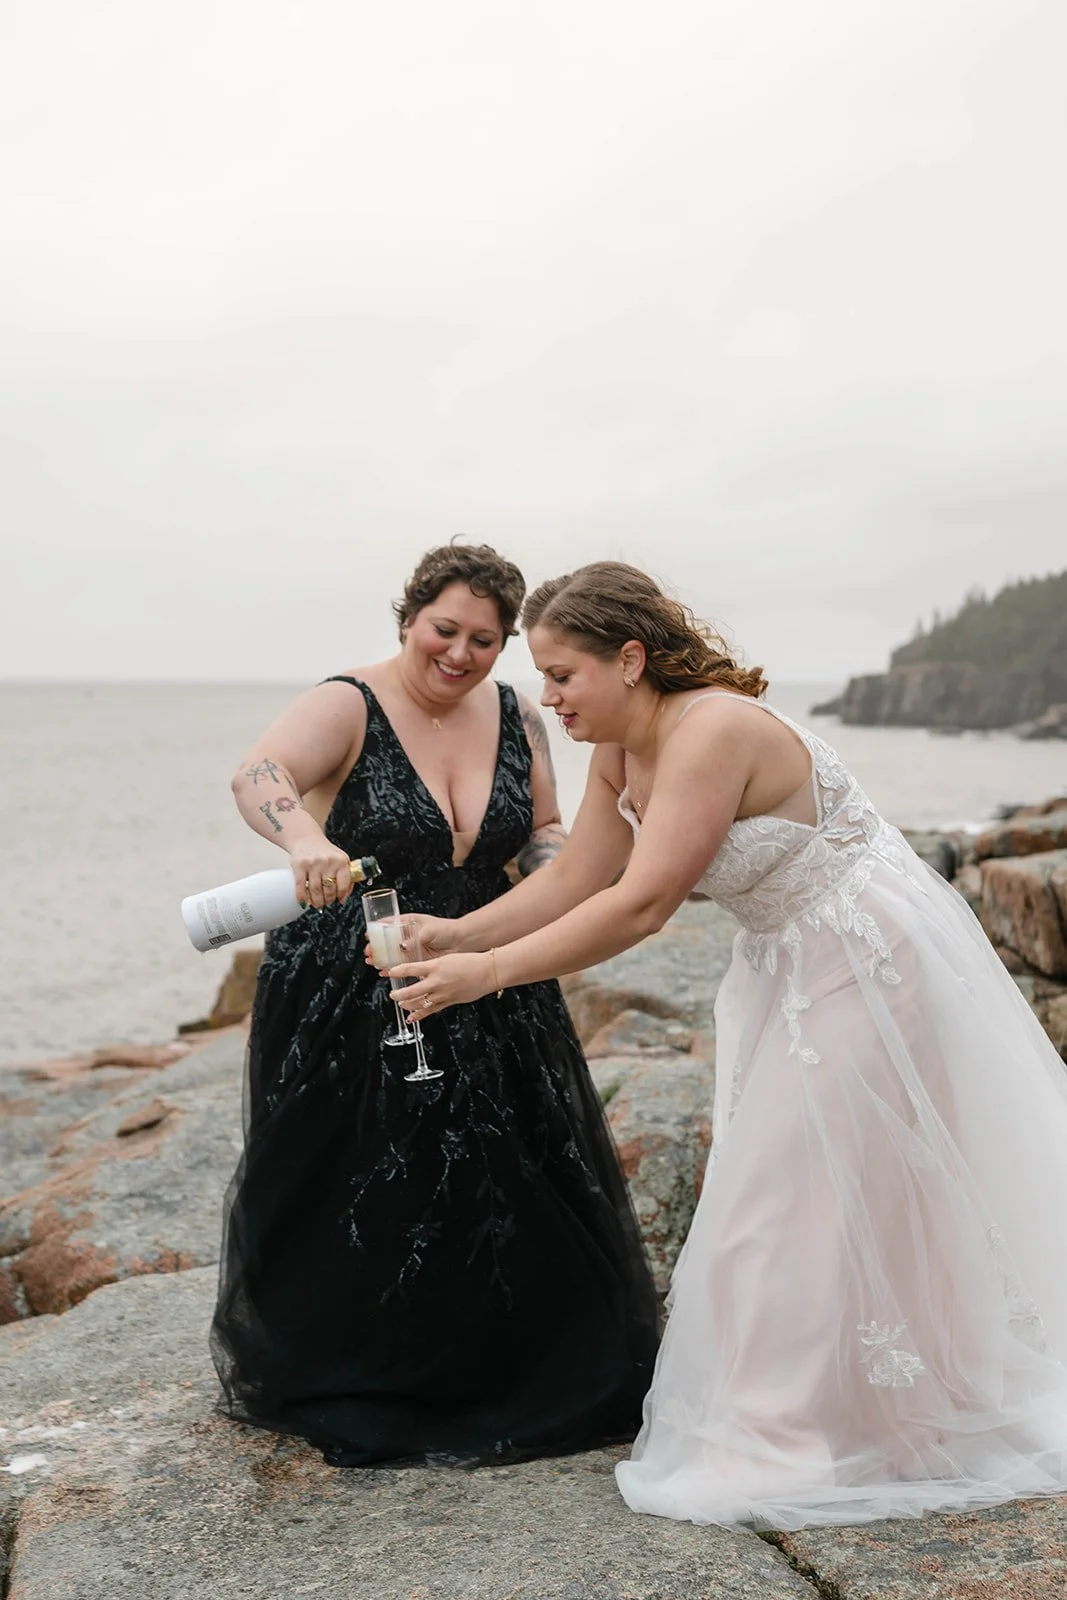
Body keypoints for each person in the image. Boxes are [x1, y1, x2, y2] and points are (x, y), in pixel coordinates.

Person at [384, 559, 1067, 1529]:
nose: (547, 697)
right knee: (816, 1185)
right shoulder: (622, 740)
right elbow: (581, 869)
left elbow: (642, 902)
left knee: (782, 1193)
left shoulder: (708, 729)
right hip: (788, 957)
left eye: (562, 674)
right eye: (540, 677)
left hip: (864, 950)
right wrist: (462, 932)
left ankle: (774, 1444)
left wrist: (487, 976)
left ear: (628, 658)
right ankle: (861, 1415)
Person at [211, 544, 660, 1468]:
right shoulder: (350, 701)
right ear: (409, 619)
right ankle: (375, 1369)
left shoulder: (517, 714)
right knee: (368, 1165)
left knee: (505, 1163)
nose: (459, 654)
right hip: (356, 962)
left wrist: (570, 876)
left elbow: (541, 833)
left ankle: (506, 1364)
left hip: (487, 948)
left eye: (485, 641)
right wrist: (302, 840)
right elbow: (259, 775)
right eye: (444, 630)